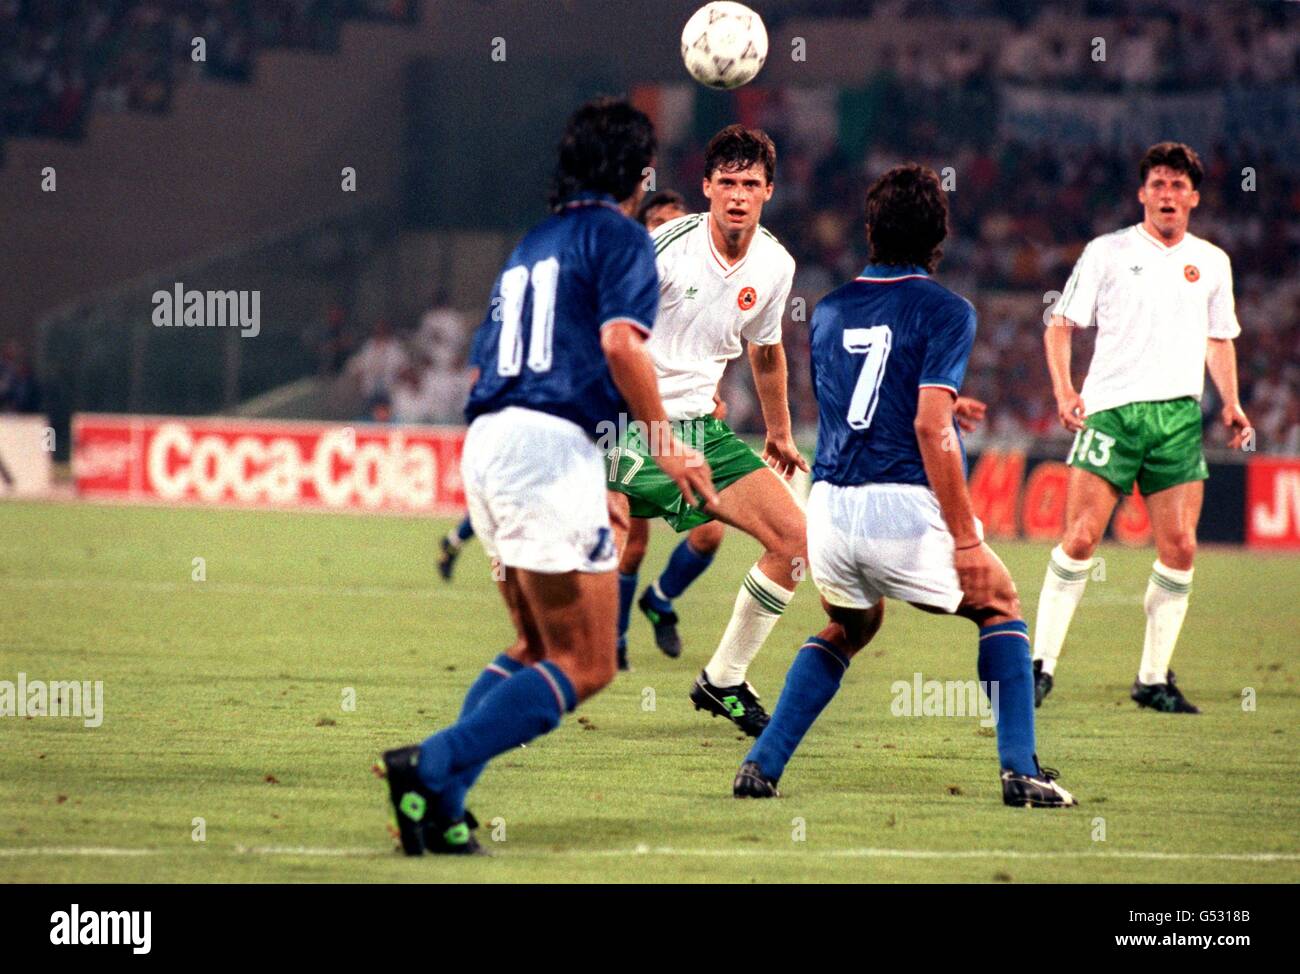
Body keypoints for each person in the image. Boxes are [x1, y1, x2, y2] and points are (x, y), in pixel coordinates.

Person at [379, 97, 716, 855]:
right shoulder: (622, 239)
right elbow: (622, 345)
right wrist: (663, 439)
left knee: (535, 647)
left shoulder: (533, 244)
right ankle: (428, 765)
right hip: (550, 449)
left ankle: (442, 809)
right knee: (588, 661)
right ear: (638, 173)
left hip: (489, 443)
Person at [732, 164, 1076, 808]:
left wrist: (949, 405)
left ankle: (762, 763)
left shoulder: (830, 309)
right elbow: (925, 424)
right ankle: (1021, 770)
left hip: (829, 509)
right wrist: (967, 538)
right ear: (939, 235)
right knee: (999, 601)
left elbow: (857, 401)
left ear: (870, 232)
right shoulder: (948, 309)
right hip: (900, 505)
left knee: (851, 628)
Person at [1032, 142, 1249, 714]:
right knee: (1080, 538)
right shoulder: (1106, 253)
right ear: (1142, 194)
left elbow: (1220, 338)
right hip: (1112, 413)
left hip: (1178, 417)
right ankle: (1040, 665)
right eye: (1157, 183)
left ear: (1194, 198)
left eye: (1178, 186)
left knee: (1180, 547)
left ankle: (1152, 678)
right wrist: (1065, 391)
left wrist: (1230, 402)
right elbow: (1060, 326)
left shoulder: (1214, 262)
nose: (1167, 194)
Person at [605, 126, 807, 737]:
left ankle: (721, 679)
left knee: (796, 543)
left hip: (704, 430)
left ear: (769, 190)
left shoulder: (776, 264)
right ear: (707, 187)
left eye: (750, 184)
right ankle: (552, 659)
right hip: (631, 425)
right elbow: (608, 338)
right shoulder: (662, 248)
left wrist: (779, 432)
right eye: (727, 183)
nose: (738, 195)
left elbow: (766, 352)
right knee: (608, 545)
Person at [614, 188, 727, 669]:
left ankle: (659, 600)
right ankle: (613, 642)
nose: (665, 229)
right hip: (628, 423)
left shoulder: (701, 285)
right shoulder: (631, 282)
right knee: (631, 540)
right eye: (656, 220)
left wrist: (712, 397)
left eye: (675, 221)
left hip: (686, 424)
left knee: (711, 533)